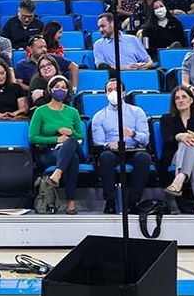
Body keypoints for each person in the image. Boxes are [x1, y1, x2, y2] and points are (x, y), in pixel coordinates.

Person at [91, 79, 153, 214]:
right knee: (105, 157)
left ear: (124, 93)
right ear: (105, 94)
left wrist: (133, 134)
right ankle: (110, 201)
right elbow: (98, 142)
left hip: (133, 149)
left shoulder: (137, 112)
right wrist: (108, 144)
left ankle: (132, 202)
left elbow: (145, 139)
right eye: (110, 90)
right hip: (112, 151)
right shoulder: (99, 116)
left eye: (117, 89)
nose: (113, 92)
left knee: (144, 158)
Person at [28, 75, 84, 216]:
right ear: (50, 89)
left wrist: (71, 132)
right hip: (49, 152)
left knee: (70, 141)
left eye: (64, 88)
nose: (61, 90)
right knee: (73, 159)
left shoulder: (73, 112)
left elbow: (80, 136)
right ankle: (71, 202)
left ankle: (57, 174)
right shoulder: (40, 111)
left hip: (73, 147)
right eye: (57, 87)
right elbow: (33, 137)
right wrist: (56, 139)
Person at [160, 86, 194, 218]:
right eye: (177, 98)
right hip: (175, 156)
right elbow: (167, 140)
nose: (180, 100)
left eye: (184, 97)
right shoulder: (166, 119)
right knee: (191, 147)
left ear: (191, 100)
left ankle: (179, 179)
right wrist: (179, 137)